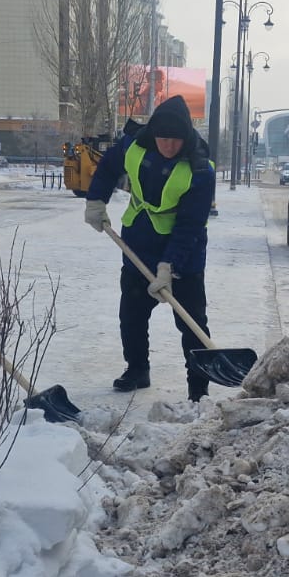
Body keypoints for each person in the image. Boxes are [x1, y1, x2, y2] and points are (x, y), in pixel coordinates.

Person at [83, 95, 217, 401]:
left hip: (184, 256)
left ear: (186, 137)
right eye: (163, 138)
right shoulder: (134, 146)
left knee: (192, 322)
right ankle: (137, 370)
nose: (169, 146)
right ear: (154, 133)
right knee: (132, 314)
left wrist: (169, 266)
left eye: (176, 140)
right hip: (138, 245)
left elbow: (190, 225)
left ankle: (199, 389)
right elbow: (107, 167)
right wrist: (96, 200)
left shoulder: (200, 170)